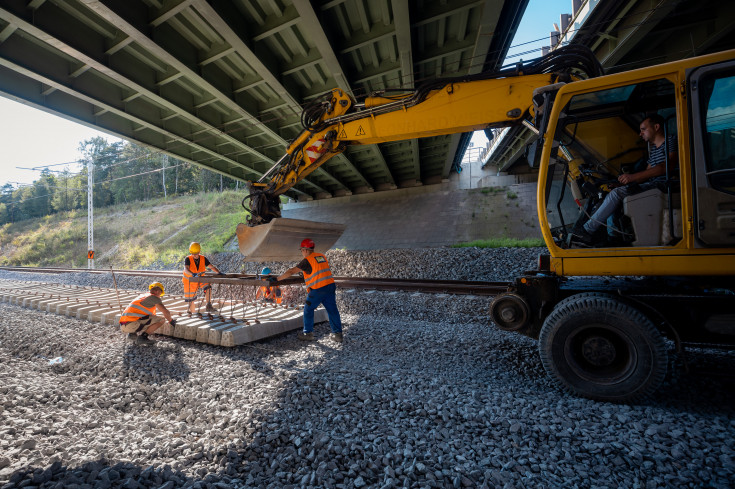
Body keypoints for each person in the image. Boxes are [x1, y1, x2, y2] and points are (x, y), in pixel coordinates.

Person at [573, 114, 678, 245]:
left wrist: (632, 177)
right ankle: (613, 236)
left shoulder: (671, 141)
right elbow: (647, 174)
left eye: (643, 129)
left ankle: (587, 231)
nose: (640, 134)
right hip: (653, 184)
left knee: (617, 193)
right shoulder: (654, 150)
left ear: (656, 127)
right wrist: (621, 183)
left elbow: (665, 168)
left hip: (665, 185)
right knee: (615, 192)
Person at [275, 238, 343, 342]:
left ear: (306, 250)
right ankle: (338, 335)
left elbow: (291, 271)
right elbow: (318, 270)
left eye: (302, 250)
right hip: (330, 286)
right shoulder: (321, 256)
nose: (302, 252)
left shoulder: (307, 260)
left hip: (318, 289)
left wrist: (277, 279)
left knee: (308, 309)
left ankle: (308, 333)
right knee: (332, 310)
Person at [183, 241, 222, 314]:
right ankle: (193, 314)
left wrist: (219, 272)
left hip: (200, 279)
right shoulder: (188, 259)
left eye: (196, 253)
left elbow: (211, 267)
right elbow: (186, 269)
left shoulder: (203, 258)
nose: (195, 255)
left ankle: (209, 305)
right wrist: (193, 274)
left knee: (208, 287)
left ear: (199, 251)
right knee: (191, 300)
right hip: (189, 281)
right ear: (191, 253)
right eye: (193, 254)